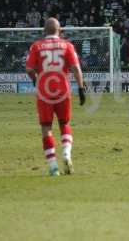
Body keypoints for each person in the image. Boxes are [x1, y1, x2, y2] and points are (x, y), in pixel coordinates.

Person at [26, 18, 86, 176]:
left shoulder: (36, 46)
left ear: (44, 31)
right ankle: (66, 153)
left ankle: (53, 167)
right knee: (64, 123)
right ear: (59, 31)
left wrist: (36, 80)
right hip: (63, 91)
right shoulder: (67, 45)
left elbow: (29, 69)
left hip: (44, 92)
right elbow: (76, 68)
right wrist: (81, 89)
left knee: (46, 128)